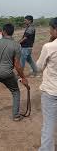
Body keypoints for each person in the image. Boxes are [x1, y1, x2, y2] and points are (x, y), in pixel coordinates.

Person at [37, 18, 57, 151]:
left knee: (48, 126)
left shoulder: (49, 47)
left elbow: (39, 66)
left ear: (55, 29)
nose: (49, 30)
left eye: (50, 28)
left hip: (51, 91)